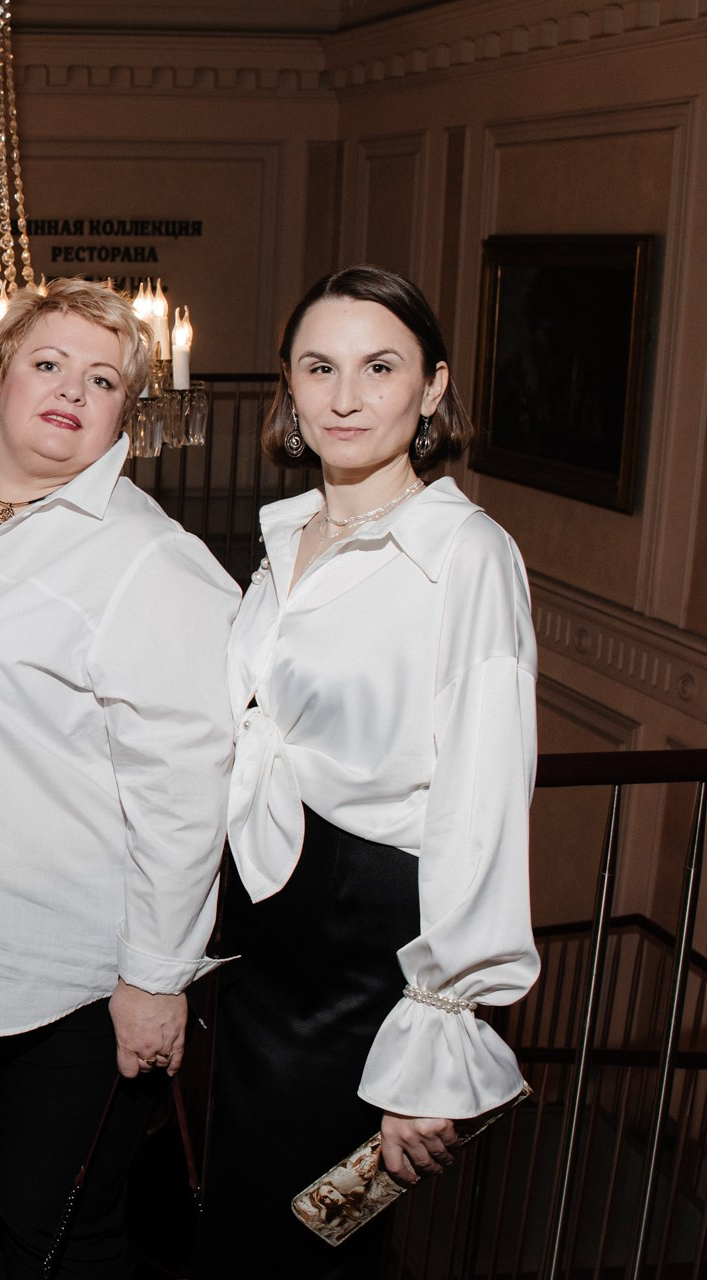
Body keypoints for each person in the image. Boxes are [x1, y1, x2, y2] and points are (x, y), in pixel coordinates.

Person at [0, 277, 240, 1279]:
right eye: (49, 363)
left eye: (102, 379)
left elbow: (185, 791)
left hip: (72, 979)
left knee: (56, 1232)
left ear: (125, 413)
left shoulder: (147, 560)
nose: (72, 389)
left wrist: (155, 978)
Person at [193, 265, 539, 1278]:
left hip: (367, 949)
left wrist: (437, 1038)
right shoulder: (287, 533)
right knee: (242, 1235)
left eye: (379, 367)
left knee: (309, 1244)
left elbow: (483, 796)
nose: (345, 397)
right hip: (263, 937)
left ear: (433, 388)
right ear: (290, 388)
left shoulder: (466, 554)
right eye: (320, 367)